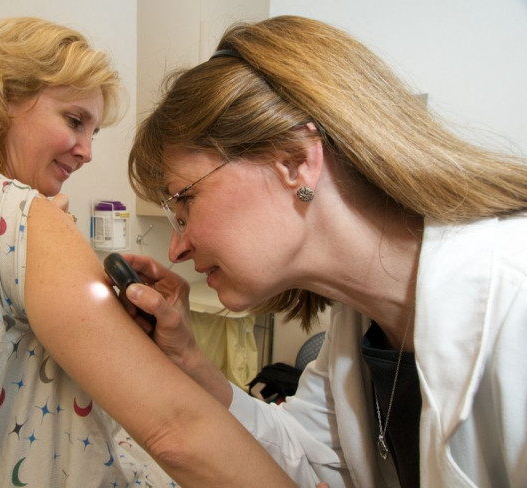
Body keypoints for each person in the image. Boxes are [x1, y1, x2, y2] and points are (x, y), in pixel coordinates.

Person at [0, 17, 296, 488]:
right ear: (1, 99)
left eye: (94, 132)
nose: (86, 152)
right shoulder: (23, 216)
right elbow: (174, 430)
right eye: (74, 120)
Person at [124, 15, 527, 488]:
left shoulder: (514, 299)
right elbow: (309, 457)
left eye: (184, 201)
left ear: (295, 159)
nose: (176, 247)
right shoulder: (359, 325)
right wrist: (190, 360)